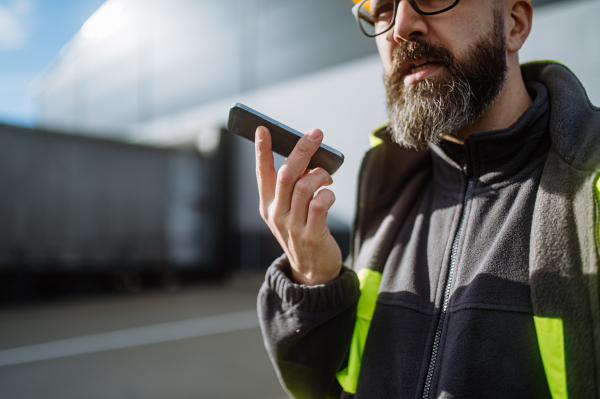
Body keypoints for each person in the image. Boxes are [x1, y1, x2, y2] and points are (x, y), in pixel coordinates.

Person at [254, 0, 600, 397]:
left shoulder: (592, 183)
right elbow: (326, 387)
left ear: (515, 23)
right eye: (383, 7)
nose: (400, 27)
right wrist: (314, 281)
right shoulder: (386, 190)